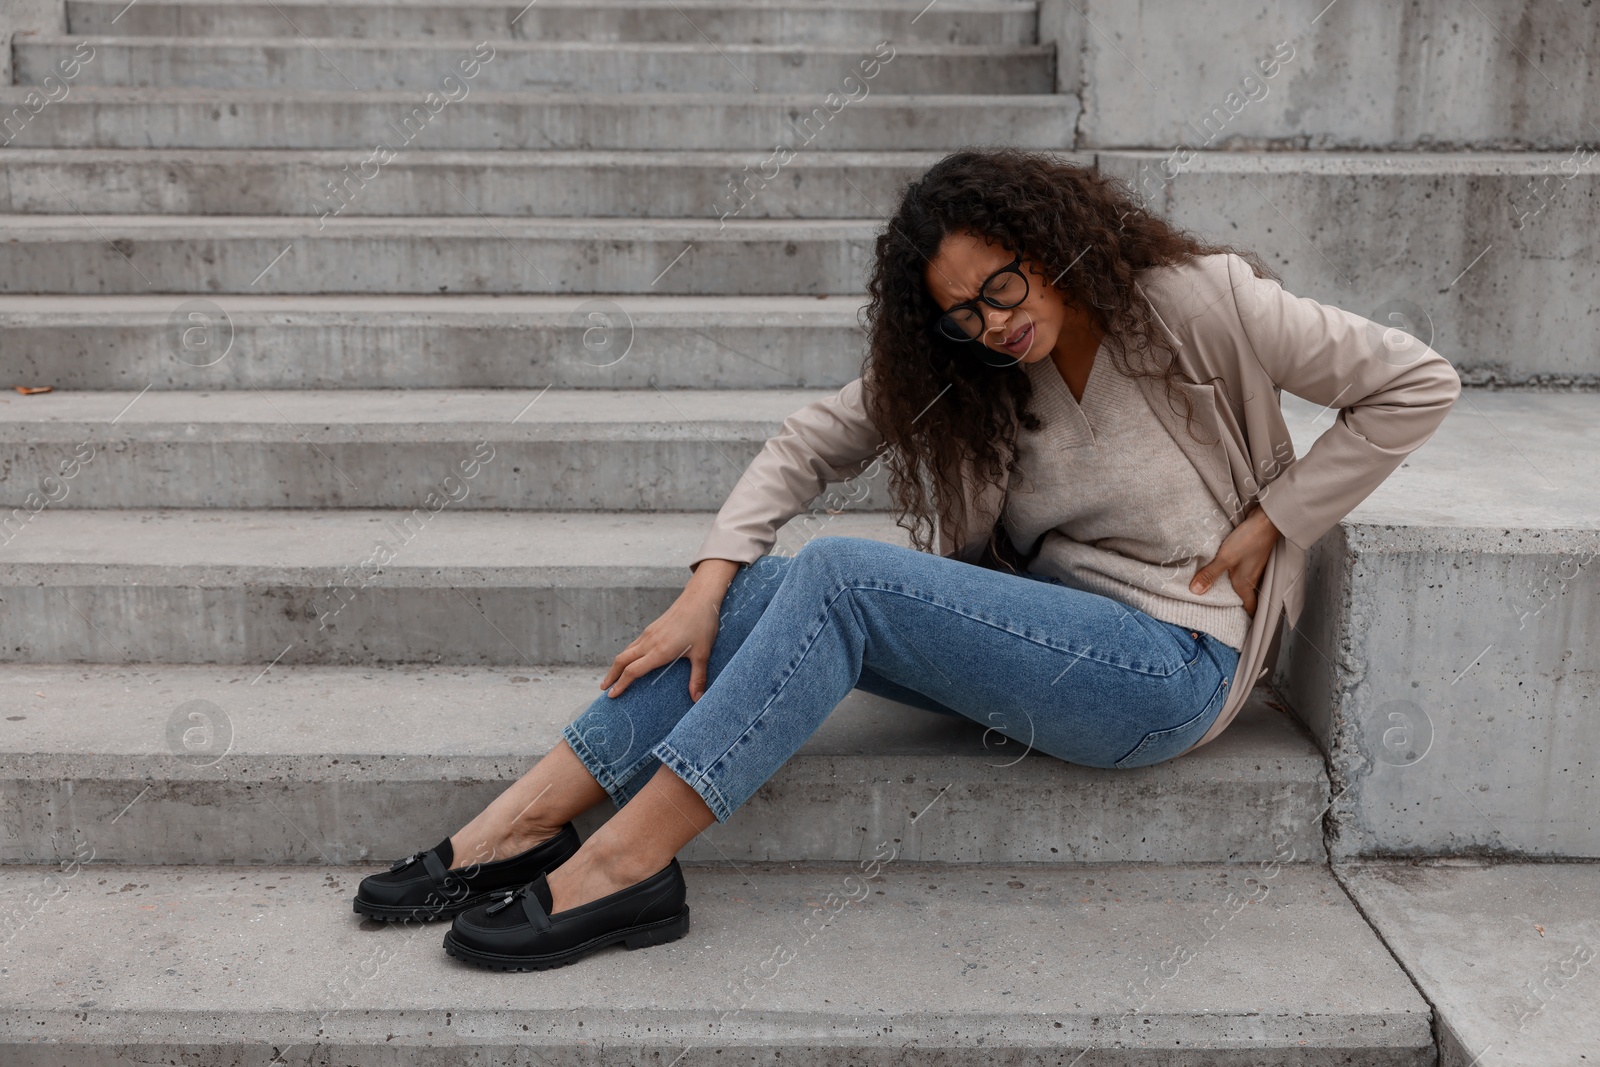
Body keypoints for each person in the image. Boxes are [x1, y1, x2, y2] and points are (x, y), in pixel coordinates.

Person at [354, 147, 1461, 971]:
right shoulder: (967, 373)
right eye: (961, 313)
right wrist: (705, 584)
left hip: (1171, 663)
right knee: (772, 580)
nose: (991, 324)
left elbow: (1415, 380)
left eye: (1004, 286)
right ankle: (517, 826)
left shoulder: (1194, 302)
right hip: (1039, 636)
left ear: (1053, 242)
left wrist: (1278, 515)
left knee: (838, 572)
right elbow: (807, 441)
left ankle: (620, 868)